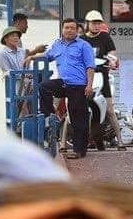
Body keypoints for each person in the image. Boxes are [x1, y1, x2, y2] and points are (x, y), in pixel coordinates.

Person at [34, 18, 95, 159]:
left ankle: (80, 150)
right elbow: (47, 56)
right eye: (66, 28)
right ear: (62, 29)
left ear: (77, 30)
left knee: (77, 117)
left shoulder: (84, 45)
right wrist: (32, 57)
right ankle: (50, 115)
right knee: (44, 87)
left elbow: (90, 67)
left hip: (78, 86)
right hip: (64, 83)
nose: (69, 30)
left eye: (72, 28)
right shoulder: (57, 44)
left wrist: (89, 85)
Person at [82, 10, 126, 150]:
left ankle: (120, 141)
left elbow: (112, 55)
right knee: (79, 109)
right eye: (94, 23)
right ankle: (66, 141)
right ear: (87, 24)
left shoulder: (105, 37)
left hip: (102, 76)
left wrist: (113, 61)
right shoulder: (81, 40)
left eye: (99, 23)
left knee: (109, 110)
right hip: (86, 78)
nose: (96, 26)